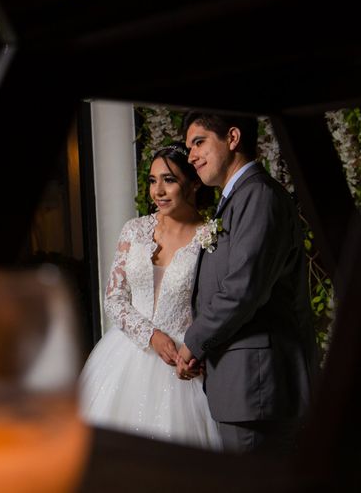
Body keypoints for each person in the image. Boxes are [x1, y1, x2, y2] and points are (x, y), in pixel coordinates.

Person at [176, 112, 318, 453]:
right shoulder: (237, 199)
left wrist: (194, 342)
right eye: (189, 146)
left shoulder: (258, 197)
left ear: (233, 138)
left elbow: (242, 290)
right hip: (241, 385)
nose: (191, 155)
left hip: (257, 385)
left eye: (199, 142)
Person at [80, 143, 222, 450]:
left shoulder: (211, 236)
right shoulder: (134, 230)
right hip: (128, 354)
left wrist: (199, 351)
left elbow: (218, 305)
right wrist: (151, 335)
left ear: (194, 181)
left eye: (169, 180)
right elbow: (114, 297)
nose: (158, 190)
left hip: (184, 360)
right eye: (153, 180)